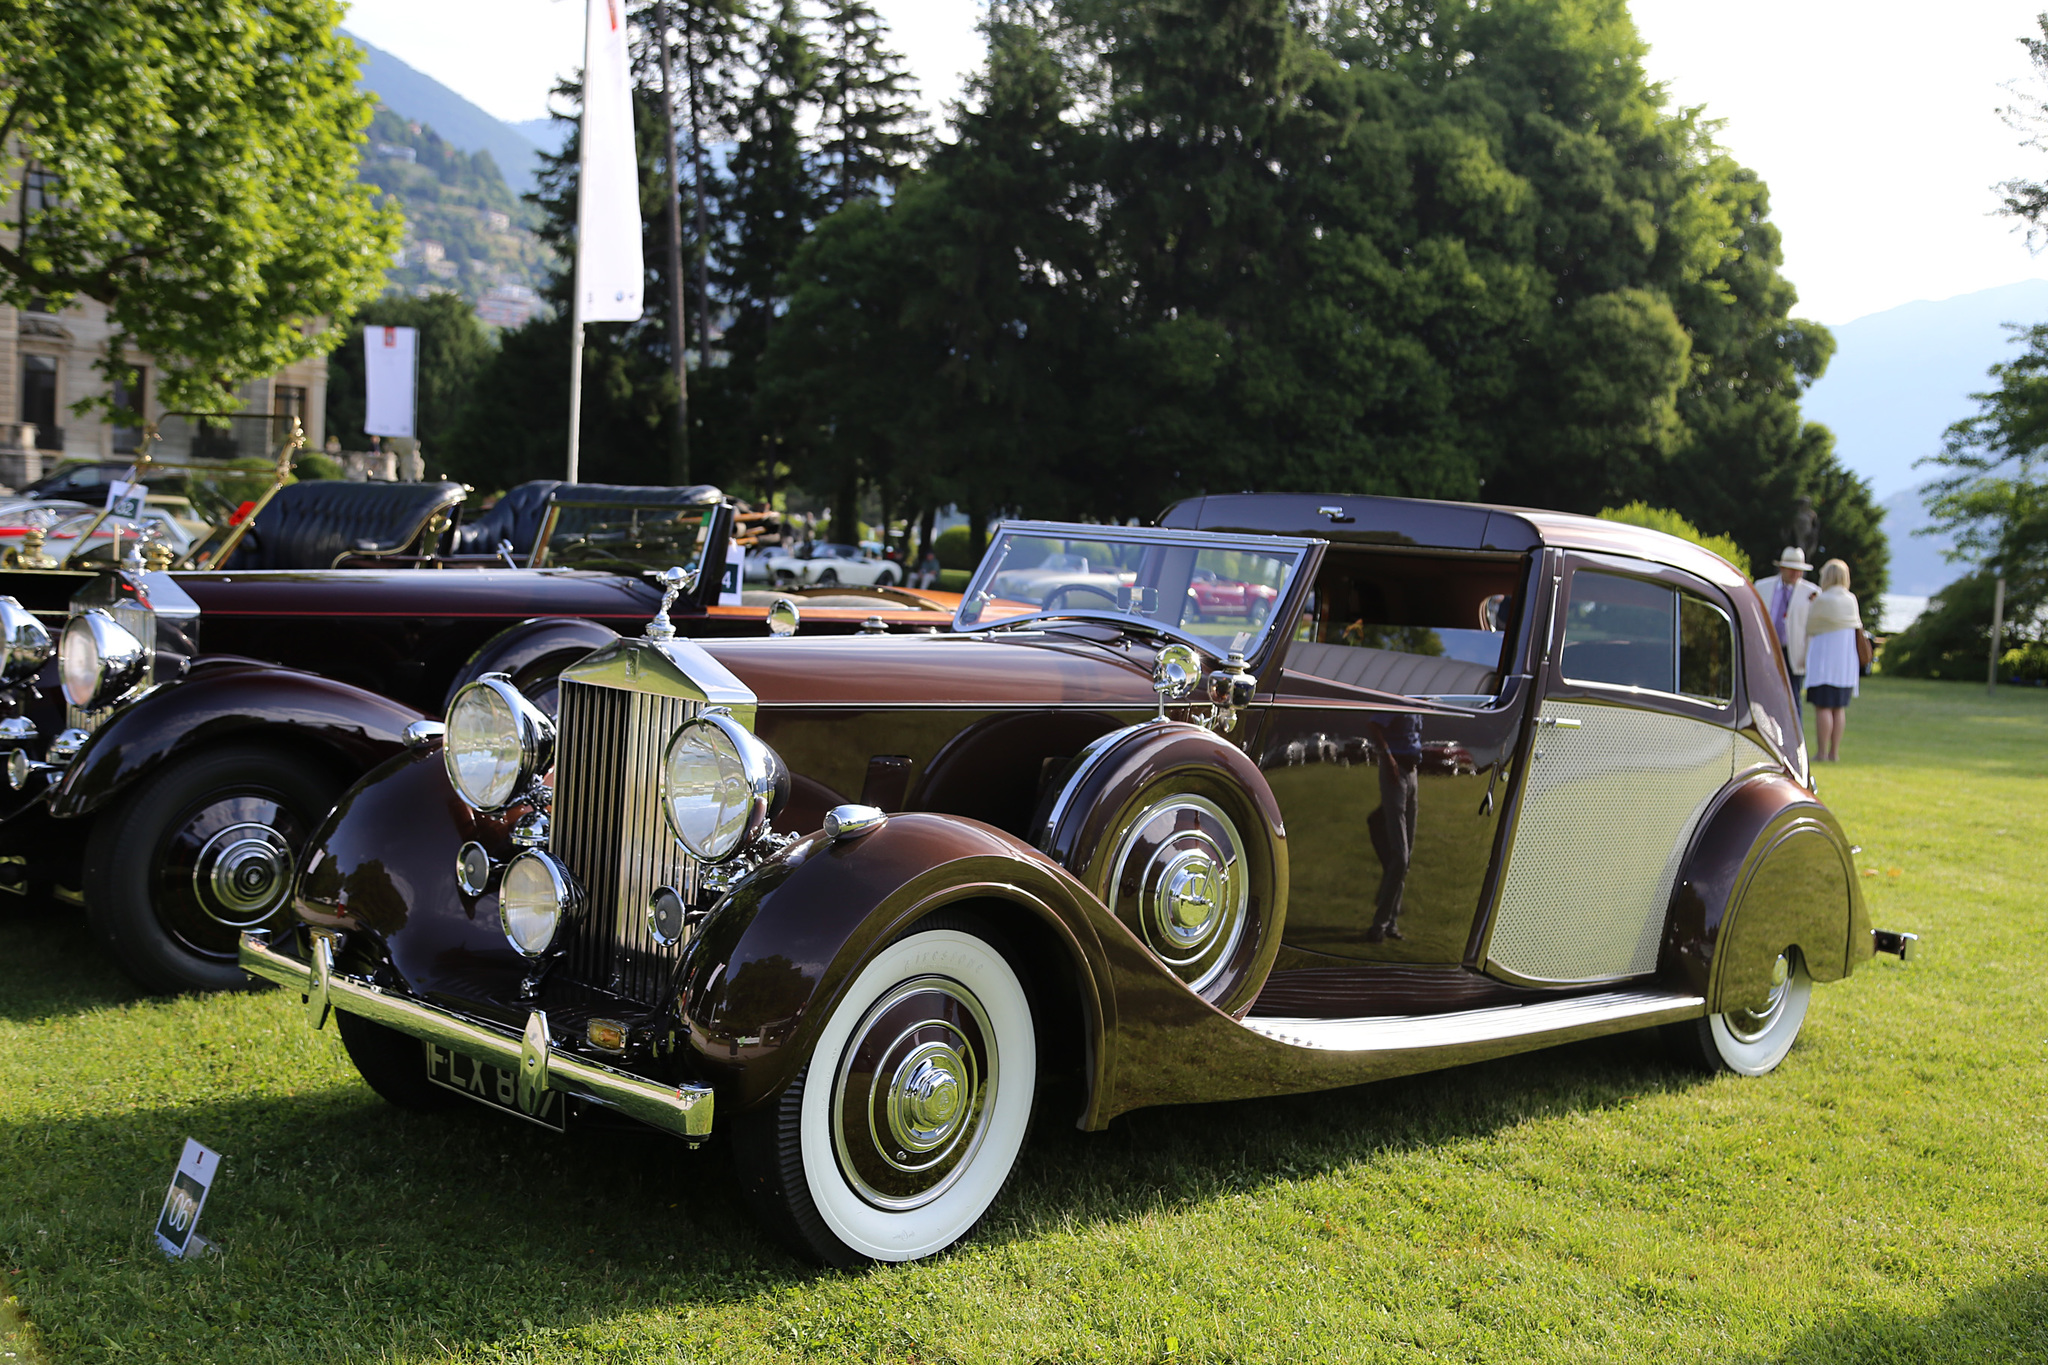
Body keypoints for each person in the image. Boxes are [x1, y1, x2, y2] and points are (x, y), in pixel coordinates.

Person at [1803, 558, 1861, 762]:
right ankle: (1834, 752)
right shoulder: (1851, 599)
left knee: (1823, 708)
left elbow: (1810, 628)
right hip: (1845, 663)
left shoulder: (1822, 600)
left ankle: (1821, 752)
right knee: (1838, 709)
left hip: (1824, 662)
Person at [1755, 547, 1821, 696]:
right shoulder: (1762, 587)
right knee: (1765, 693)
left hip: (1793, 651)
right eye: (1792, 569)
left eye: (1799, 570)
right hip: (1768, 648)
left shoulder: (1811, 592)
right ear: (1782, 568)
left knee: (1792, 696)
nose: (1796, 573)